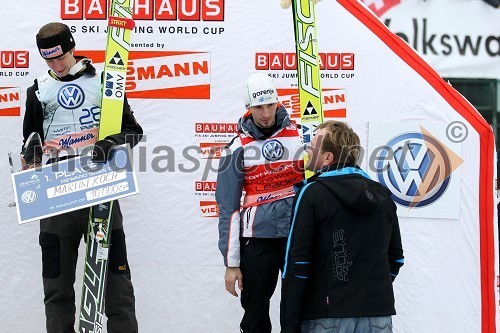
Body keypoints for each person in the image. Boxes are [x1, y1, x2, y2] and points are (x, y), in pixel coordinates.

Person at [23, 22, 143, 333]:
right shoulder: (37, 89)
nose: (56, 66)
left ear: (71, 49)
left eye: (60, 58)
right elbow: (30, 146)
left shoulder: (104, 81)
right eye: (49, 60)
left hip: (100, 187)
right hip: (56, 192)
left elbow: (133, 132)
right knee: (57, 285)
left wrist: (109, 143)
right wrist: (32, 154)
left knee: (116, 285)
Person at [280, 121, 404, 333]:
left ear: (328, 158)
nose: (307, 150)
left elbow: (296, 265)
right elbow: (397, 259)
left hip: (327, 315)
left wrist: (289, 327)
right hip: (378, 315)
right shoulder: (383, 196)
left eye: (312, 145)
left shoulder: (312, 194)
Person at [216, 73, 304, 332]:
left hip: (297, 236)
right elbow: (228, 209)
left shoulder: (300, 135)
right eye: (258, 107)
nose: (265, 113)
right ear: (248, 107)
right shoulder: (236, 147)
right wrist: (231, 263)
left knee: (298, 311)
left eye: (270, 105)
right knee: (255, 315)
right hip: (257, 240)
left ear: (278, 102)